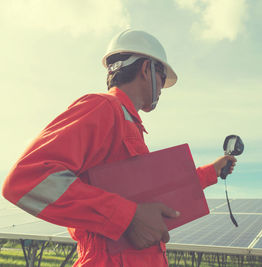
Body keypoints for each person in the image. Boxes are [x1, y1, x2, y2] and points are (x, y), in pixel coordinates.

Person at [2, 29, 237, 266]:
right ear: (146, 69)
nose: (163, 87)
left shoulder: (128, 125)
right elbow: (27, 179)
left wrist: (211, 172)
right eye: (162, 77)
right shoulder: (103, 108)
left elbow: (154, 198)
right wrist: (127, 217)